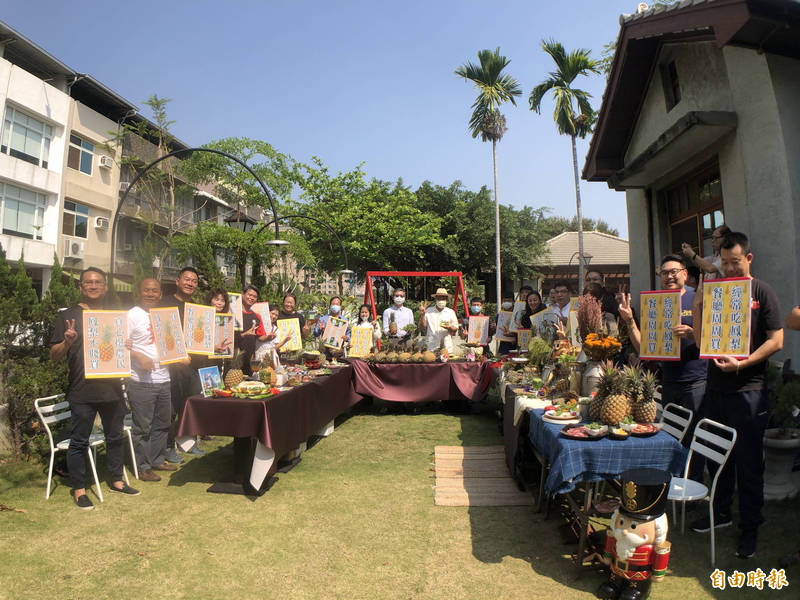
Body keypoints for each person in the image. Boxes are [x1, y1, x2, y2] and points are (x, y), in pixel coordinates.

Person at [690, 231, 783, 559]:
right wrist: (699, 302)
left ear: (748, 259)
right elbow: (703, 343)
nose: (728, 268)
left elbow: (777, 339)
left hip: (749, 392)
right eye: (724, 263)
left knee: (748, 464)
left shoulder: (762, 291)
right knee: (717, 459)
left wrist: (743, 363)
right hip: (716, 390)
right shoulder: (716, 291)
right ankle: (721, 514)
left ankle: (750, 527)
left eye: (734, 262)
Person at [50, 267, 140, 509]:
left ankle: (117, 481)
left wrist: (126, 345)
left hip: (111, 389)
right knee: (79, 441)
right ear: (80, 286)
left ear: (105, 287)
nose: (93, 286)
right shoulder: (67, 316)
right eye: (88, 282)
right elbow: (54, 355)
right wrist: (67, 342)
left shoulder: (114, 317)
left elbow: (119, 350)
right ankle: (79, 489)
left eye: (98, 282)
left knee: (114, 437)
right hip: (82, 390)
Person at [619, 256, 707, 467]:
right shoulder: (658, 304)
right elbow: (645, 350)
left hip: (696, 382)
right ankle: (672, 480)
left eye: (674, 271)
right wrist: (630, 321)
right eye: (664, 273)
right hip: (669, 382)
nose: (669, 276)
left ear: (685, 274)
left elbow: (715, 340)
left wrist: (694, 334)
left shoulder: (699, 298)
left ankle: (695, 484)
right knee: (671, 436)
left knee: (696, 438)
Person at [127, 278, 180, 482]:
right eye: (146, 290)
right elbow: (118, 344)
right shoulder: (131, 315)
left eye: (154, 291)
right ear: (139, 292)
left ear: (159, 294)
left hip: (164, 379)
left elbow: (175, 342)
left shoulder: (164, 316)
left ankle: (158, 459)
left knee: (163, 423)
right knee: (142, 428)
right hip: (141, 382)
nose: (150, 294)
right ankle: (142, 467)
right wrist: (138, 356)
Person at [158, 266, 204, 461]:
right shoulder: (164, 305)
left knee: (191, 406)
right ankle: (167, 447)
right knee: (170, 410)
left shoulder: (198, 309)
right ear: (177, 281)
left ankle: (188, 442)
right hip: (170, 367)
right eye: (187, 279)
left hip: (192, 367)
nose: (190, 283)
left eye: (194, 281)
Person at [237, 285, 269, 375]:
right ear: (242, 294)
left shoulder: (257, 317)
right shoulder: (234, 313)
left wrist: (268, 337)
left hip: (250, 359)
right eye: (249, 295)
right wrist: (244, 334)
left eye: (254, 297)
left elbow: (260, 337)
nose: (251, 298)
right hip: (234, 360)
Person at [419, 287, 458, 352]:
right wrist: (422, 315)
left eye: (443, 298)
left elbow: (455, 328)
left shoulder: (450, 312)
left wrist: (449, 327)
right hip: (431, 346)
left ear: (446, 299)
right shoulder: (428, 311)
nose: (441, 300)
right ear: (436, 298)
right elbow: (423, 327)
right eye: (439, 298)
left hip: (446, 346)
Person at [206, 288, 233, 357]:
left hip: (222, 358)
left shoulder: (228, 321)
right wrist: (213, 349)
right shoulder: (203, 317)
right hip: (204, 360)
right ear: (210, 301)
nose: (219, 303)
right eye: (216, 299)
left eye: (222, 300)